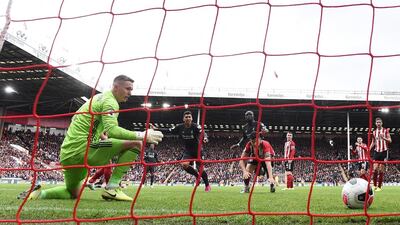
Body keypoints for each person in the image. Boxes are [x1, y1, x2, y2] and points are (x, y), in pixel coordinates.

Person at [18, 75, 163, 201]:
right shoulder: (110, 101)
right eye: (128, 89)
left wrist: (100, 135)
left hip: (68, 155)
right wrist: (143, 135)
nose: (130, 93)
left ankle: (38, 194)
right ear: (116, 87)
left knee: (72, 193)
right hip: (84, 151)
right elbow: (113, 130)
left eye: (131, 89)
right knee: (136, 144)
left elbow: (82, 119)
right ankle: (112, 188)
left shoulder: (96, 98)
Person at [168, 111, 211, 192]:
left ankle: (207, 185)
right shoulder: (179, 127)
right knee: (184, 165)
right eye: (186, 117)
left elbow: (202, 132)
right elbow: (169, 130)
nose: (188, 118)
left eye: (189, 117)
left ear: (191, 118)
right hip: (188, 151)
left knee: (201, 169)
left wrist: (205, 138)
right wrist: (156, 129)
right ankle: (197, 176)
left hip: (198, 150)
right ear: (183, 119)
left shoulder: (195, 126)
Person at [369, 117, 391, 191]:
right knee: (375, 169)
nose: (378, 123)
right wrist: (369, 149)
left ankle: (379, 187)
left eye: (380, 122)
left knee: (381, 170)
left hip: (384, 151)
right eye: (377, 122)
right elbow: (373, 142)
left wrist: (384, 138)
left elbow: (390, 140)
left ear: (382, 123)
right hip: (376, 151)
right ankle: (374, 186)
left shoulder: (385, 131)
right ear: (375, 124)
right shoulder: (374, 132)